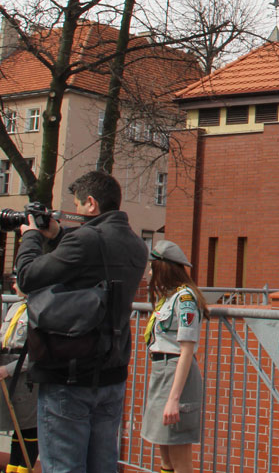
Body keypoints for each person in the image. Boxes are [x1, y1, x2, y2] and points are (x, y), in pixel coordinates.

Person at [15, 170, 148, 473]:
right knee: (102, 466)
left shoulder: (86, 240)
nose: (75, 212)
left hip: (70, 375)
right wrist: (59, 235)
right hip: (112, 375)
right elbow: (96, 264)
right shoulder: (136, 244)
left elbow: (27, 277)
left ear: (91, 203)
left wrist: (32, 236)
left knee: (64, 466)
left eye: (77, 205)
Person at [141, 240, 208, 473]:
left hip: (176, 375)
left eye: (152, 267)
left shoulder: (185, 299)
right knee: (165, 455)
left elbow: (186, 351)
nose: (149, 273)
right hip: (162, 373)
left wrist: (174, 399)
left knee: (179, 456)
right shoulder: (168, 297)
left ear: (164, 268)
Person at [0, 274, 39, 473]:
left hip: (24, 377)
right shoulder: (15, 308)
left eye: (17, 281)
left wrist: (7, 370)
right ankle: (12, 469)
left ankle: (23, 470)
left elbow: (35, 354)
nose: (14, 286)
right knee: (17, 427)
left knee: (28, 428)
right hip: (7, 376)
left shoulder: (37, 310)